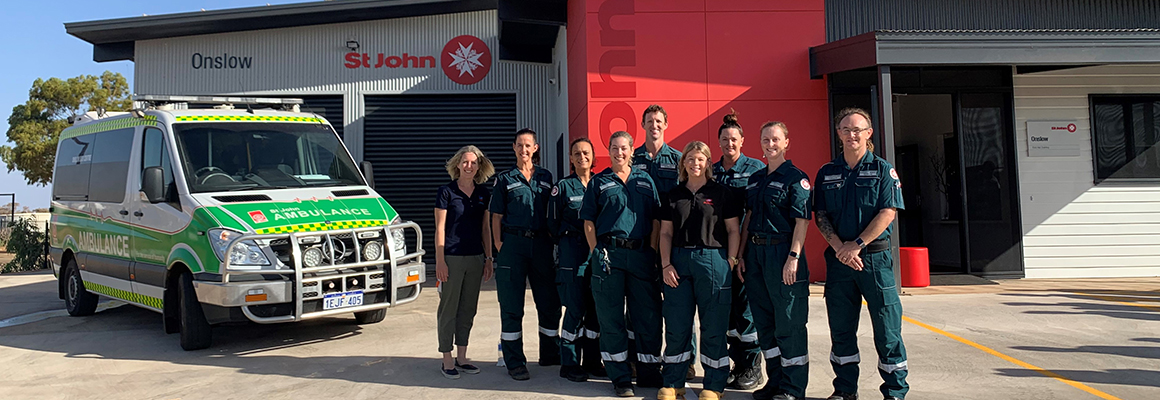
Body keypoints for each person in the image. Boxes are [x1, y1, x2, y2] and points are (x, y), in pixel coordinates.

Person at [814, 108, 908, 400]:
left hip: (874, 261)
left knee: (887, 329)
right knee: (841, 329)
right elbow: (820, 215)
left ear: (869, 133)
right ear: (839, 134)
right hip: (840, 262)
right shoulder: (827, 172)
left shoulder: (882, 169)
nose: (851, 134)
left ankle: (894, 391)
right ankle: (844, 389)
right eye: (846, 129)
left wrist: (856, 244)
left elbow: (887, 213)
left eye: (858, 129)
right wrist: (840, 248)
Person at [581, 130, 665, 397]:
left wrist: (652, 250)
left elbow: (655, 219)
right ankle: (620, 377)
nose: (619, 153)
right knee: (611, 318)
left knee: (648, 316)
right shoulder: (599, 182)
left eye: (624, 148)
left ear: (632, 150)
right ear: (609, 150)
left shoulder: (644, 179)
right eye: (614, 148)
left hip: (641, 255)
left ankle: (649, 372)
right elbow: (589, 222)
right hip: (610, 256)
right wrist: (596, 253)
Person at [657, 141, 742, 400]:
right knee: (677, 324)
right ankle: (674, 382)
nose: (695, 163)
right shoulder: (674, 194)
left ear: (708, 163)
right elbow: (665, 232)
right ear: (683, 163)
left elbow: (733, 230)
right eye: (690, 159)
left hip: (713, 258)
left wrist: (730, 261)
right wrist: (666, 264)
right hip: (678, 262)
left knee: (713, 325)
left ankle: (714, 385)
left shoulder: (721, 193)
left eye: (700, 159)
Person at [737, 121, 812, 400]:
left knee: (789, 323)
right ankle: (775, 381)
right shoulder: (755, 178)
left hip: (782, 254)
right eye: (766, 139)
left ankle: (793, 388)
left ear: (786, 143)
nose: (770, 144)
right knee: (765, 323)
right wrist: (742, 254)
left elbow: (802, 220)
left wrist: (794, 256)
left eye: (776, 139)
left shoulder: (796, 177)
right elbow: (748, 220)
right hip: (756, 255)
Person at [490, 128, 562, 381]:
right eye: (519, 145)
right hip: (513, 246)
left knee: (550, 303)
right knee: (511, 305)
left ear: (536, 148)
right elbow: (496, 215)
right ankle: (515, 361)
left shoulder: (546, 177)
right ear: (514, 148)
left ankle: (550, 353)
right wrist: (499, 244)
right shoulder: (505, 179)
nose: (524, 150)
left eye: (528, 145)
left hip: (541, 245)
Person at [631, 104, 692, 380]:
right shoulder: (633, 158)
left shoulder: (678, 159)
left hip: (672, 242)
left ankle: (686, 359)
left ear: (666, 125)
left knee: (679, 304)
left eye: (658, 121)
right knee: (641, 303)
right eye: (649, 121)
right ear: (642, 125)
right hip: (642, 242)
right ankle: (639, 356)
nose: (654, 125)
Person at [712, 111, 767, 390]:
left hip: (744, 251)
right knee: (728, 312)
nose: (729, 144)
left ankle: (753, 365)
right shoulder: (712, 171)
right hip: (719, 252)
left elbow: (753, 214)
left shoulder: (756, 169)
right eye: (724, 139)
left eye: (734, 139)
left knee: (746, 309)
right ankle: (737, 364)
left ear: (742, 141)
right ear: (718, 142)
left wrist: (742, 254)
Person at [434, 145, 496, 380]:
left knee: (468, 308)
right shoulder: (446, 192)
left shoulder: (483, 194)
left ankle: (462, 356)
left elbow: (485, 229)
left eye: (473, 162)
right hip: (452, 257)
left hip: (475, 258)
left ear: (479, 166)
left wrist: (489, 258)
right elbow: (439, 229)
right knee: (448, 308)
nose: (469, 166)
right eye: (465, 162)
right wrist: (440, 260)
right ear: (458, 164)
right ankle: (447, 358)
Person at [549, 137, 607, 382]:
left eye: (586, 153)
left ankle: (593, 361)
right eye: (576, 154)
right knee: (574, 308)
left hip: (595, 251)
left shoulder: (602, 184)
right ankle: (570, 363)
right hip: (572, 251)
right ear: (571, 159)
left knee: (594, 308)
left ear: (593, 157)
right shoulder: (562, 187)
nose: (582, 157)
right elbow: (551, 224)